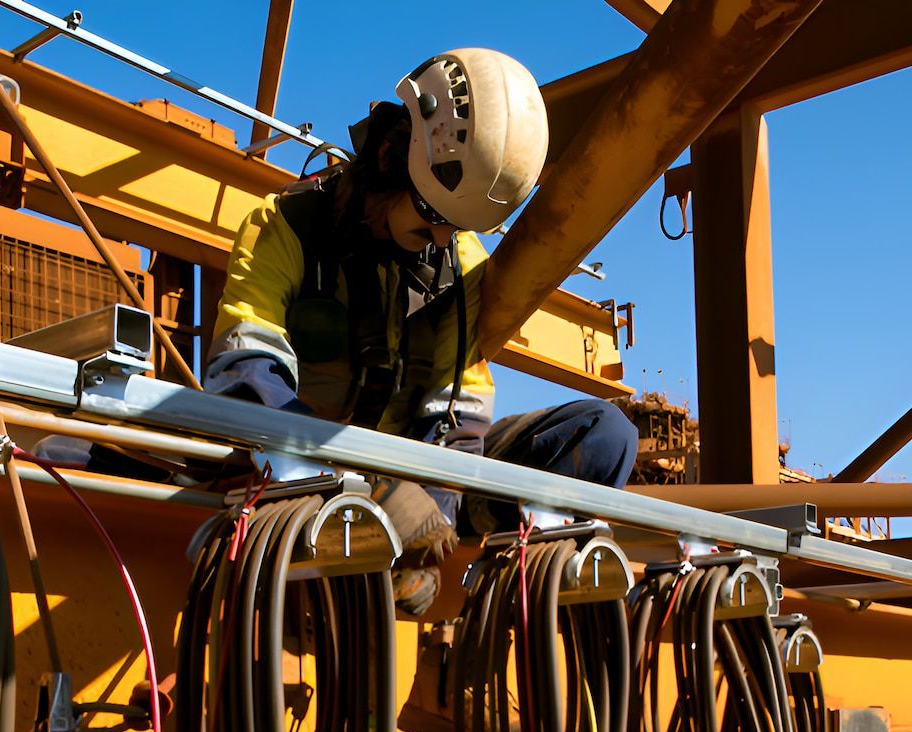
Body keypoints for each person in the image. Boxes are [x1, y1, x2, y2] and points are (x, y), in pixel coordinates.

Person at [204, 48, 639, 630]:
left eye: (454, 226)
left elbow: (461, 415)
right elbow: (246, 380)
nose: (439, 237)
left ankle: (514, 606)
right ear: (389, 155)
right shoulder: (283, 228)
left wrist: (431, 514)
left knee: (603, 435)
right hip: (299, 478)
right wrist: (365, 488)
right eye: (432, 214)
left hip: (415, 491)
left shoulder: (456, 260)